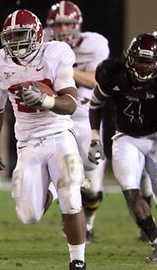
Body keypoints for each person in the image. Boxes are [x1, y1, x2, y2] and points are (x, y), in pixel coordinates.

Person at [0, 10, 87, 270]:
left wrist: (45, 100)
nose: (16, 41)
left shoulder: (55, 53)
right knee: (29, 216)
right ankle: (51, 187)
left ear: (38, 34)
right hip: (27, 142)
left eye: (21, 34)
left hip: (59, 134)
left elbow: (71, 103)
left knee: (71, 198)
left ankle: (78, 261)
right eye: (11, 36)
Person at [88, 32, 157, 262]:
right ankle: (155, 241)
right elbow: (96, 102)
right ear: (130, 58)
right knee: (130, 190)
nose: (143, 67)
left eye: (149, 62)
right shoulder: (113, 74)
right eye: (140, 60)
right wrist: (95, 137)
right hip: (126, 137)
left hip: (155, 137)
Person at [46, 0, 109, 243]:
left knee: (90, 182)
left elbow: (97, 81)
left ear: (78, 25)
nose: (62, 29)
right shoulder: (45, 45)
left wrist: (66, 70)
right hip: (57, 118)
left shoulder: (95, 43)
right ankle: (70, 210)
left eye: (67, 23)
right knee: (64, 172)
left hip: (85, 117)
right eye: (58, 24)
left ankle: (89, 221)